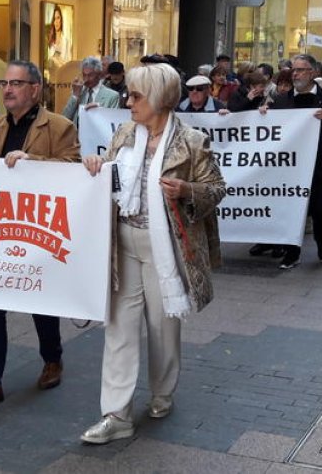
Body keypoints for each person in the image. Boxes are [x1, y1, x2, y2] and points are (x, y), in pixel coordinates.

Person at [79, 64, 225, 444]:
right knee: (119, 330)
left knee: (163, 328)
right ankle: (116, 415)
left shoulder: (192, 141)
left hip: (168, 248)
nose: (129, 101)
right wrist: (95, 165)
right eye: (129, 94)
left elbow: (216, 189)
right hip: (123, 244)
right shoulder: (125, 133)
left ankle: (162, 392)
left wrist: (187, 190)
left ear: (159, 98)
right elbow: (108, 177)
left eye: (136, 96)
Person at [0, 61, 79, 412]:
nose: (7, 89)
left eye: (16, 83)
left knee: (40, 300)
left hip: (38, 231)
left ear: (35, 89)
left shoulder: (59, 126)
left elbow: (74, 171)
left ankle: (52, 359)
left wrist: (33, 160)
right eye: (4, 82)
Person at [263, 55, 322, 268]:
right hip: (289, 167)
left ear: (313, 73)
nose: (296, 73)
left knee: (319, 208)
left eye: (301, 70)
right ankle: (292, 252)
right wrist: (262, 114)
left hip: (318, 165)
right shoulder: (281, 101)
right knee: (291, 209)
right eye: (294, 70)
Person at [62, 56, 121, 127]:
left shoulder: (112, 96)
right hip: (77, 137)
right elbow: (65, 119)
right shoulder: (78, 91)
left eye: (90, 75)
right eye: (84, 75)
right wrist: (75, 95)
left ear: (99, 75)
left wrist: (98, 111)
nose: (86, 79)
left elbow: (113, 124)